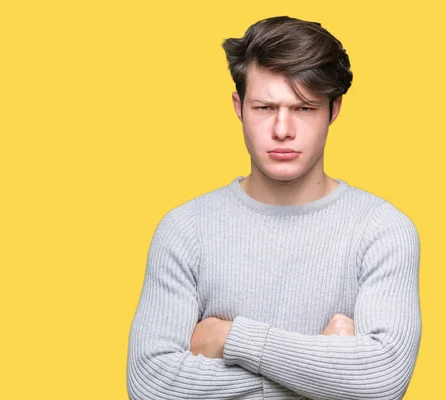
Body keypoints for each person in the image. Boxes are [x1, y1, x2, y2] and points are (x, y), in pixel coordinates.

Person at [126, 15, 421, 400]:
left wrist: (228, 338)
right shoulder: (185, 230)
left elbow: (380, 383)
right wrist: (324, 375)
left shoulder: (382, 231)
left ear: (334, 110)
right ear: (239, 106)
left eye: (303, 108)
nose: (283, 129)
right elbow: (152, 386)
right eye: (265, 108)